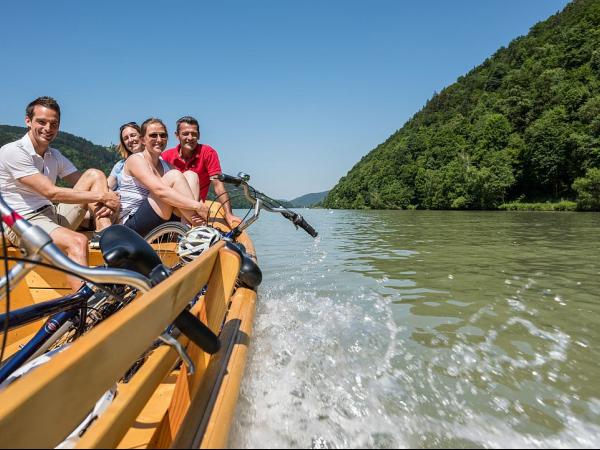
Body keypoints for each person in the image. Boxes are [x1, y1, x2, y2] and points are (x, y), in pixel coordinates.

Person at [0, 96, 120, 291]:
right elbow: (51, 193)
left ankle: (106, 237)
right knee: (78, 242)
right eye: (41, 122)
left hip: (52, 215)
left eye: (53, 124)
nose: (48, 128)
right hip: (23, 222)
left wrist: (112, 196)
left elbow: (86, 180)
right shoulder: (12, 152)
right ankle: (85, 311)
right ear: (28, 121)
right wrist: (102, 197)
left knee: (95, 174)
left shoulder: (54, 155)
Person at [118, 117, 209, 237]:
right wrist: (197, 206)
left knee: (191, 176)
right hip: (133, 227)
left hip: (161, 225)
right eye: (153, 135)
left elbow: (181, 192)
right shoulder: (135, 160)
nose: (159, 140)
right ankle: (200, 230)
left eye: (163, 135)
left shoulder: (167, 166)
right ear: (143, 140)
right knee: (175, 176)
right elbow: (160, 191)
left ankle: (188, 231)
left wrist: (196, 204)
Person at [161, 116, 241, 228]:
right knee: (188, 175)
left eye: (194, 134)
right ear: (177, 135)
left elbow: (218, 185)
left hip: (195, 208)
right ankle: (189, 228)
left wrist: (229, 214)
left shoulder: (207, 152)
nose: (190, 137)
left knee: (190, 176)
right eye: (185, 134)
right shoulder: (166, 156)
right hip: (173, 207)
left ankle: (187, 228)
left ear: (199, 135)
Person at [107, 122, 144, 191]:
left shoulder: (153, 160)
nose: (130, 140)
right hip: (116, 199)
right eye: (126, 138)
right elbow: (107, 187)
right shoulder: (120, 165)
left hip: (136, 200)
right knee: (95, 175)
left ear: (142, 137)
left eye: (133, 135)